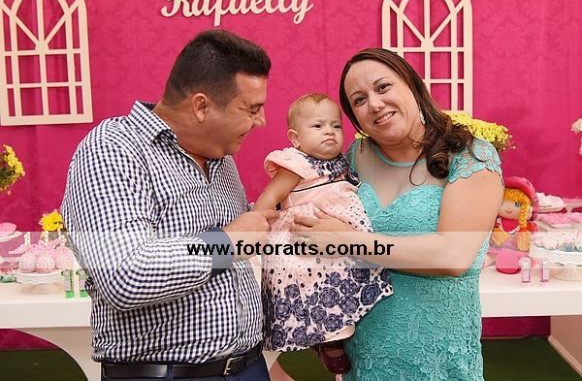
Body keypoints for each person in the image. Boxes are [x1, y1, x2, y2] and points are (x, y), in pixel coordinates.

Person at [61, 29, 279, 381]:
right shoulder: (112, 149)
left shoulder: (221, 158)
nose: (261, 121)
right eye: (251, 109)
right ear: (201, 106)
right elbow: (123, 274)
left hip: (248, 367)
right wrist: (225, 243)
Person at [293, 48, 504, 380]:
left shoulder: (471, 156)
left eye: (383, 87)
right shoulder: (355, 156)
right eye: (359, 100)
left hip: (438, 361)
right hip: (365, 359)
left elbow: (453, 255)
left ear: (413, 86)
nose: (375, 104)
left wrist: (350, 241)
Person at [253, 94, 392, 374]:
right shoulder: (296, 164)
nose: (329, 131)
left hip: (341, 234)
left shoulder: (343, 161)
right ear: (295, 138)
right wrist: (257, 227)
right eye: (318, 126)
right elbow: (270, 196)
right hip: (305, 234)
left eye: (335, 125)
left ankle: (336, 334)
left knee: (345, 279)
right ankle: (327, 341)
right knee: (310, 283)